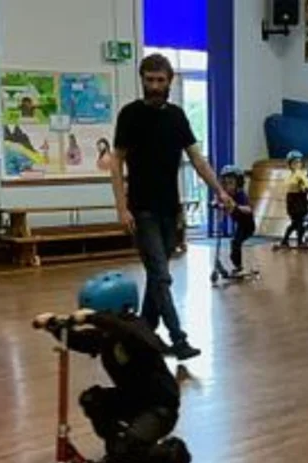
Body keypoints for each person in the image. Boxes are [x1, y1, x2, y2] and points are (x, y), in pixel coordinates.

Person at [111, 52, 233, 361]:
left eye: (159, 80)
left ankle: (141, 335)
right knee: (162, 276)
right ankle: (178, 340)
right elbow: (116, 162)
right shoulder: (129, 115)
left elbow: (197, 158)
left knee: (156, 276)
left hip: (170, 210)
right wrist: (121, 207)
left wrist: (219, 190)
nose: (154, 86)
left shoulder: (177, 117)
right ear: (142, 80)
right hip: (142, 211)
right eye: (149, 80)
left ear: (169, 81)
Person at [33, 287, 190, 463]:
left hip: (159, 408)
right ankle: (120, 446)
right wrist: (52, 325)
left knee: (130, 449)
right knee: (92, 399)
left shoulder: (138, 327)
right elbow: (79, 340)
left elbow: (135, 335)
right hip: (131, 400)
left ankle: (172, 454)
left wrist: (95, 318)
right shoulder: (107, 335)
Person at [219, 165, 256, 275]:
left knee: (236, 243)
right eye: (225, 183)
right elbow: (222, 204)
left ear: (238, 183)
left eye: (230, 183)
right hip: (240, 225)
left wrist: (236, 206)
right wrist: (218, 205)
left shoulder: (240, 195)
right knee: (234, 245)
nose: (227, 186)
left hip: (248, 226)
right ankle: (237, 266)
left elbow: (249, 209)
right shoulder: (227, 196)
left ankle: (239, 268)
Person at [278, 150, 308, 249]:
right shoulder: (293, 176)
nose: (297, 164)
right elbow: (296, 186)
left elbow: (307, 186)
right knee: (299, 223)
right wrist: (304, 186)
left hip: (299, 200)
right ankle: (299, 242)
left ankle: (285, 241)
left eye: (299, 162)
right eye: (295, 162)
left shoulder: (301, 174)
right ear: (290, 164)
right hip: (294, 201)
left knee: (295, 223)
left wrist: (307, 187)